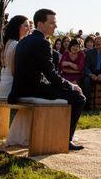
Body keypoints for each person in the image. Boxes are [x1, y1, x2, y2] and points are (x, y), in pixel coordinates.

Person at [8, 8, 86, 151]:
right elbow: (50, 74)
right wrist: (70, 85)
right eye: (52, 23)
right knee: (79, 97)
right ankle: (65, 139)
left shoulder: (24, 41)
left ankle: (60, 133)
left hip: (19, 89)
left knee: (67, 92)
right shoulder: (43, 42)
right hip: (33, 89)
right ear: (40, 24)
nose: (55, 26)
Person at [0, 14, 31, 147]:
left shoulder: (7, 42)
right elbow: (14, 71)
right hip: (10, 86)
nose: (28, 28)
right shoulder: (16, 45)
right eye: (26, 25)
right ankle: (25, 136)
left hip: (2, 84)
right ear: (18, 27)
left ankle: (20, 134)